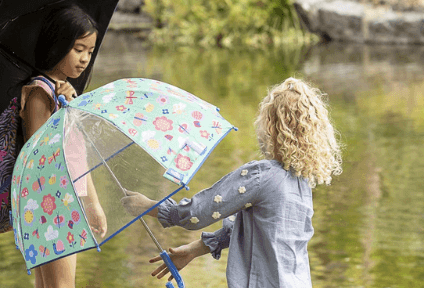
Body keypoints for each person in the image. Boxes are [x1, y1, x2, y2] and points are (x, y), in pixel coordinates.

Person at [121, 77, 343, 288]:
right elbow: (244, 228)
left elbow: (197, 213)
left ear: (271, 126)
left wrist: (150, 207)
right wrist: (193, 250)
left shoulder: (262, 175)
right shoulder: (300, 182)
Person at [20, 5, 108, 288]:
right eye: (78, 49)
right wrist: (62, 114)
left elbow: (76, 156)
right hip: (49, 202)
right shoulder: (39, 94)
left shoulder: (64, 94)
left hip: (65, 200)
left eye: (90, 51)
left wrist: (92, 205)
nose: (84, 59)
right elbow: (39, 158)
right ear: (58, 44)